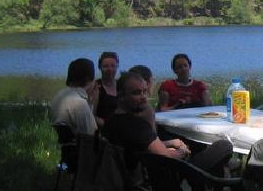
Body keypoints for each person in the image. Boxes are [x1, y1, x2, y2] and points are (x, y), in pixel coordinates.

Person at [103, 71, 233, 178]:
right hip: (167, 175)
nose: (143, 97)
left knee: (221, 164)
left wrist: (170, 143)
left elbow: (141, 146)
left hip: (134, 174)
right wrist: (182, 151)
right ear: (121, 96)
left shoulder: (111, 120)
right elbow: (167, 158)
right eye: (136, 93)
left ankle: (213, 187)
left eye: (144, 91)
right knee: (224, 146)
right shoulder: (136, 126)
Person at [49, 58, 97, 135]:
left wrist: (90, 103)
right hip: (78, 146)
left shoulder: (60, 95)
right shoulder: (80, 104)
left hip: (64, 145)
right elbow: (91, 134)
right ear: (89, 80)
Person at [93, 51, 120, 127]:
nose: (109, 69)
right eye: (105, 66)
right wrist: (107, 125)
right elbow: (91, 114)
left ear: (117, 66)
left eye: (113, 66)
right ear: (99, 67)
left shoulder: (122, 85)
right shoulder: (95, 87)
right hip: (103, 128)